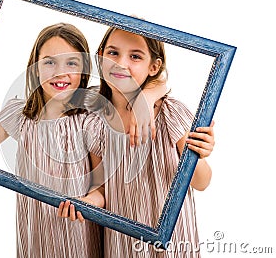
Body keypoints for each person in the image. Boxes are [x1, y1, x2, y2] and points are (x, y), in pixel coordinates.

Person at [0, 23, 106, 258]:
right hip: (35, 232)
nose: (60, 72)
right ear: (35, 68)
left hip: (78, 233)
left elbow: (101, 187)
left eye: (71, 63)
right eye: (49, 62)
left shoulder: (89, 116)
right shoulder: (20, 115)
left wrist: (86, 203)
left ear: (84, 71)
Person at [59, 26, 214, 258]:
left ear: (154, 67)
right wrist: (86, 202)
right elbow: (102, 188)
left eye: (135, 56)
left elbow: (201, 182)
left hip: (173, 241)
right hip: (123, 243)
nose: (121, 63)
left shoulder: (171, 113)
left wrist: (198, 154)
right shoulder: (94, 123)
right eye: (113, 53)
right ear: (100, 57)